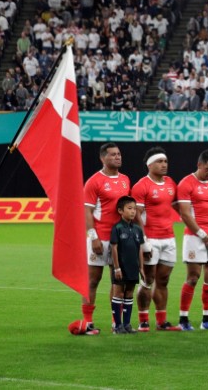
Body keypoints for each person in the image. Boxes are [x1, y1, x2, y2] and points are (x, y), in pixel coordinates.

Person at [130, 147, 181, 331]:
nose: (164, 165)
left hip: (169, 238)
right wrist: (143, 241)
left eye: (165, 161)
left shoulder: (170, 183)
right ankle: (143, 320)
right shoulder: (141, 186)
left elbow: (177, 207)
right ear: (150, 164)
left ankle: (161, 321)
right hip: (150, 238)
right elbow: (137, 216)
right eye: (160, 161)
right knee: (147, 279)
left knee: (163, 280)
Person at [81, 143, 130, 335]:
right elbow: (87, 211)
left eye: (119, 154)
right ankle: (87, 322)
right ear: (103, 158)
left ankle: (116, 323)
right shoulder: (94, 181)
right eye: (112, 155)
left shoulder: (125, 179)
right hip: (100, 237)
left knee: (118, 282)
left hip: (120, 237)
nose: (117, 157)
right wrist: (93, 237)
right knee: (93, 280)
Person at [177, 150, 208, 330]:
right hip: (195, 237)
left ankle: (207, 320)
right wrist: (203, 235)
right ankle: (183, 320)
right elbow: (185, 213)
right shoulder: (186, 183)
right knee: (193, 277)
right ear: (199, 165)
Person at [110, 196, 145, 335]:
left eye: (134, 209)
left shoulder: (137, 229)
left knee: (129, 294)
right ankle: (117, 325)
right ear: (120, 210)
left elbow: (140, 250)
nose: (133, 212)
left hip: (133, 267)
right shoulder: (117, 228)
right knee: (118, 293)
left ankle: (127, 324)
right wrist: (117, 268)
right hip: (120, 267)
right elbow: (114, 248)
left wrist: (141, 268)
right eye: (129, 208)